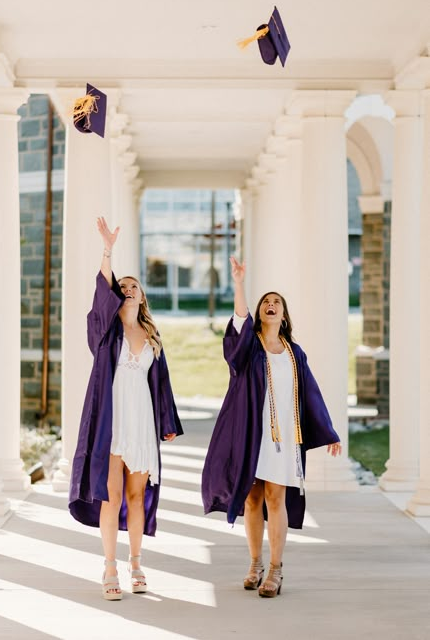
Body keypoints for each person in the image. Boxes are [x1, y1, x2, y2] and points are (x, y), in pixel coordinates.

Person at [201, 256, 342, 598]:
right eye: (266, 302)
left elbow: (310, 393)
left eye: (276, 303)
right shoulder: (249, 348)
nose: (270, 305)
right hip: (253, 432)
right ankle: (254, 563)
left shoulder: (295, 353)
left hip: (284, 438)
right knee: (252, 499)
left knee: (276, 498)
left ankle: (276, 569)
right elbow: (237, 324)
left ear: (284, 315)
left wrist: (328, 432)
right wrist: (239, 284)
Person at [69, 218, 183, 601]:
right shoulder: (105, 332)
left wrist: (167, 422)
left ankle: (136, 563)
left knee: (137, 498)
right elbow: (101, 291)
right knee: (111, 496)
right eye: (123, 286)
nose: (128, 289)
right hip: (111, 422)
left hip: (142, 423)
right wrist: (108, 249)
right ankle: (109, 566)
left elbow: (162, 384)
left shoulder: (152, 336)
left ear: (142, 296)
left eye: (134, 286)